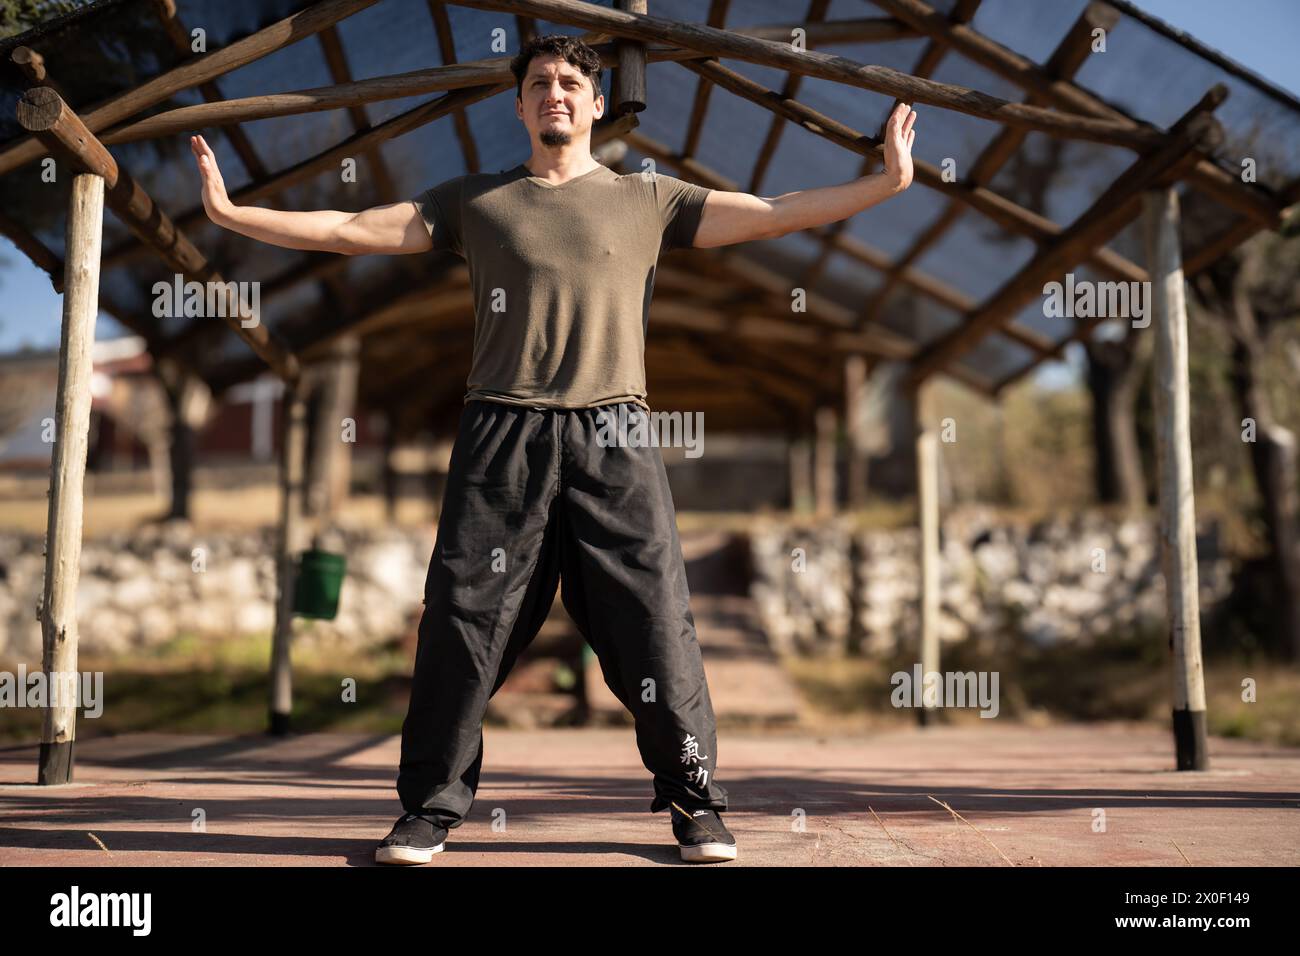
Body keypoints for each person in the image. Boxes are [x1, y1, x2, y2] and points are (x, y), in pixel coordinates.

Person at [192, 33, 916, 866]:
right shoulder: (476, 200)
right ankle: (429, 810)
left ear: (598, 102)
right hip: (501, 431)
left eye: (571, 82)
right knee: (461, 623)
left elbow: (776, 211)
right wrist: (230, 213)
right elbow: (354, 227)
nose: (556, 95)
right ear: (520, 105)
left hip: (615, 430)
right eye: (539, 83)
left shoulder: (650, 199)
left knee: (656, 624)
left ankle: (695, 805)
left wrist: (884, 182)